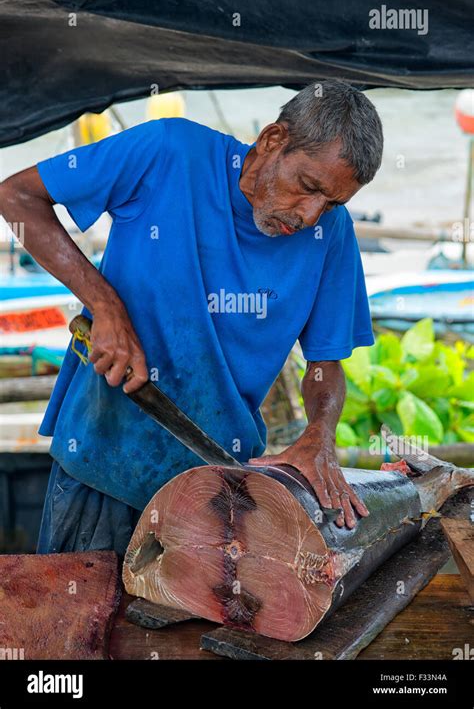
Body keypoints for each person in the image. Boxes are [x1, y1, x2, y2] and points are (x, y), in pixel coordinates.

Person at [0, 79, 383, 556]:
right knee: (75, 622)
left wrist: (320, 434)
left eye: (331, 203)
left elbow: (325, 362)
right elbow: (16, 199)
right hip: (105, 468)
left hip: (216, 494)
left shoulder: (332, 233)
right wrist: (104, 304)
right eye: (308, 187)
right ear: (271, 140)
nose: (309, 214)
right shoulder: (169, 151)